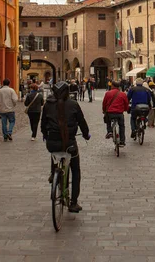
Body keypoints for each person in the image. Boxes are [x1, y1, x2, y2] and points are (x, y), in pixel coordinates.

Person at [41, 81, 91, 213]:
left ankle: (53, 174)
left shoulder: (48, 105)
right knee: (75, 170)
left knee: (55, 152)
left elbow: (43, 124)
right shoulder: (73, 104)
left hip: (52, 142)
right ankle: (73, 203)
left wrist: (45, 135)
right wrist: (86, 135)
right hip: (70, 144)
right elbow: (82, 122)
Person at [102, 80, 129, 145]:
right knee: (122, 126)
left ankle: (109, 131)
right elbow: (126, 104)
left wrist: (104, 111)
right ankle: (122, 141)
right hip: (119, 113)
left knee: (108, 121)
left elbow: (104, 103)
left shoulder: (108, 93)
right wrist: (125, 109)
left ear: (112, 86)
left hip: (110, 113)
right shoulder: (123, 94)